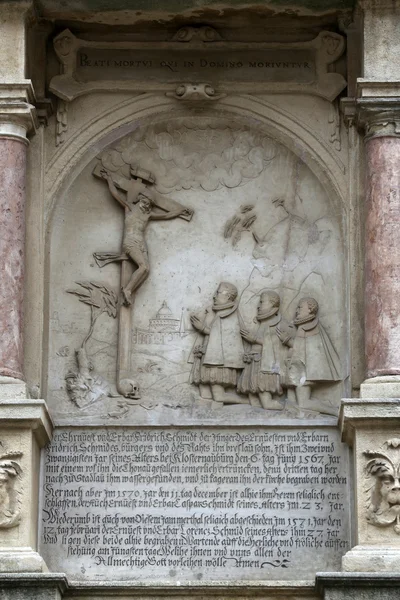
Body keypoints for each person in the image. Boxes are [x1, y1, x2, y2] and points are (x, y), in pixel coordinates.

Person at [94, 171, 190, 305]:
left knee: (147, 270)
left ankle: (129, 290)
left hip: (141, 243)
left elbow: (166, 216)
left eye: (149, 203)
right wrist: (109, 179)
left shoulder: (148, 215)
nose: (147, 205)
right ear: (140, 199)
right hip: (130, 242)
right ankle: (127, 290)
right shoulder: (129, 208)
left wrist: (179, 212)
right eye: (145, 201)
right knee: (143, 267)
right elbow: (115, 194)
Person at [277, 297, 341, 415]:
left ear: (310, 310)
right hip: (299, 370)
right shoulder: (307, 326)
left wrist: (286, 340)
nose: (297, 311)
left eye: (300, 308)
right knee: (292, 401)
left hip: (305, 372)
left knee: (303, 403)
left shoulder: (306, 327)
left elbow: (299, 348)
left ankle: (334, 411)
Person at [189, 282, 246, 406]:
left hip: (218, 364)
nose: (214, 296)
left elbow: (223, 338)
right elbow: (215, 334)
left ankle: (247, 401)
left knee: (218, 396)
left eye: (218, 293)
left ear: (229, 297)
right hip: (210, 360)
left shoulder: (229, 314)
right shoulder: (220, 313)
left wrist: (202, 328)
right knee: (205, 395)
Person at [238, 290, 289, 410]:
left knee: (264, 395)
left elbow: (277, 345)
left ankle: (281, 407)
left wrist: (254, 339)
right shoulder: (264, 322)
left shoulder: (278, 323)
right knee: (253, 399)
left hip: (265, 364)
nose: (258, 306)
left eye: (262, 302)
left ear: (272, 304)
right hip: (254, 361)